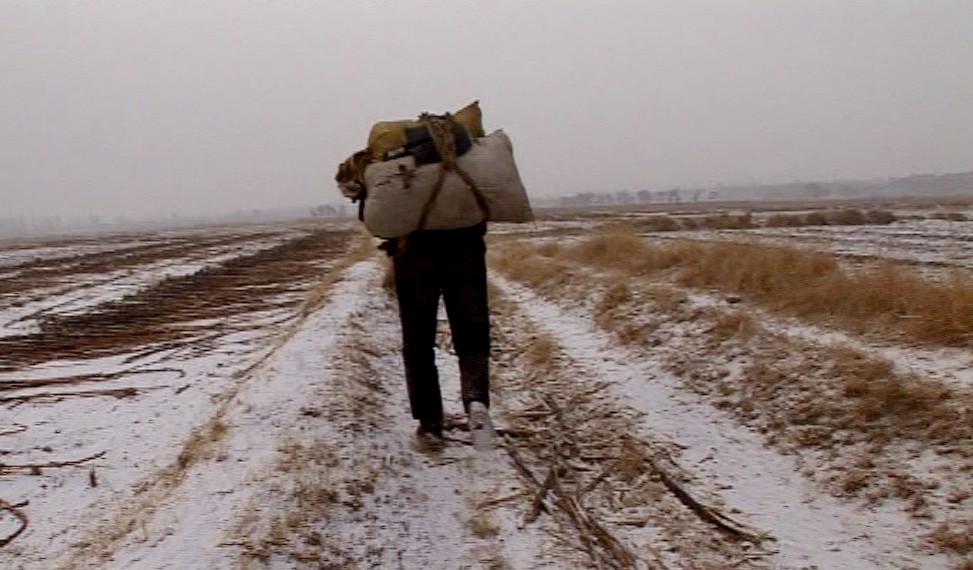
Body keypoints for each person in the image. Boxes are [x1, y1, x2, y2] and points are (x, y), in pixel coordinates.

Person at [382, 221, 496, 451]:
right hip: (466, 247)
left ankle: (430, 425)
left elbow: (374, 213)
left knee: (418, 343)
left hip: (413, 251)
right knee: (473, 338)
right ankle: (476, 400)